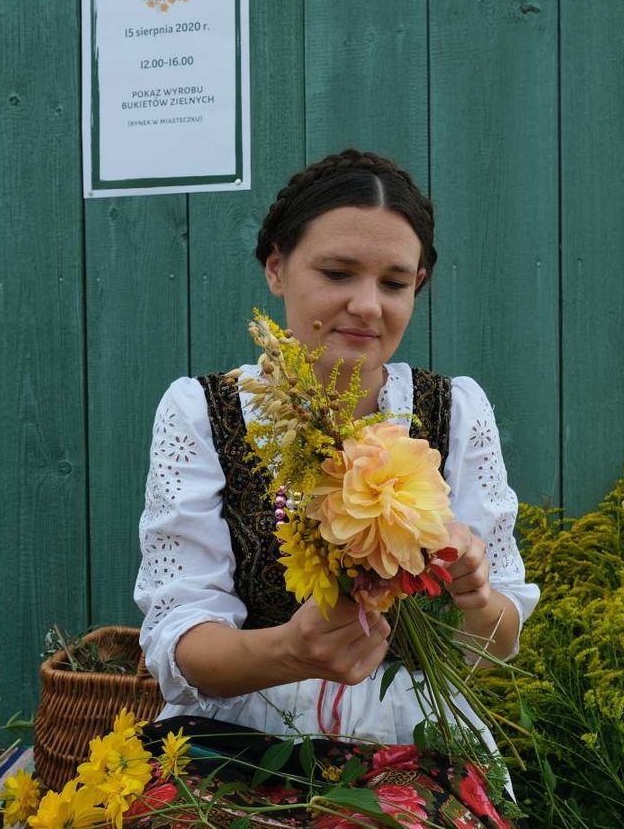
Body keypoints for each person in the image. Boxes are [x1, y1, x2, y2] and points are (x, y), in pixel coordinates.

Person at [133, 149, 539, 819]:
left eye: (395, 282)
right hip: (236, 739)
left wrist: (475, 593)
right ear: (275, 266)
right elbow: (180, 640)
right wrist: (290, 651)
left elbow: (497, 645)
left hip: (412, 742)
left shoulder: (454, 411)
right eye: (337, 272)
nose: (366, 305)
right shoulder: (203, 412)